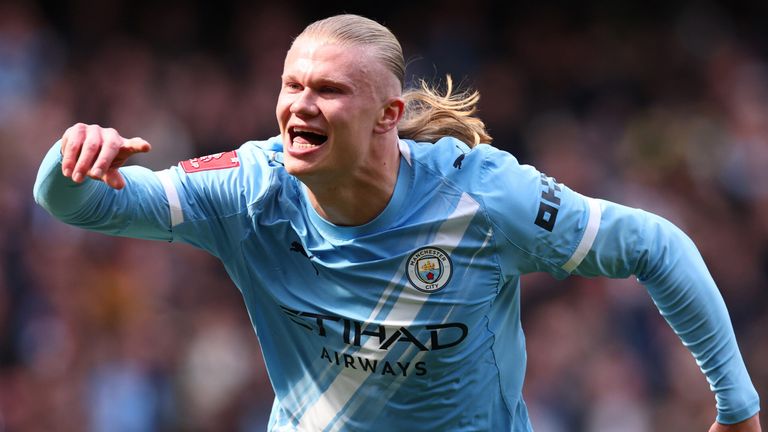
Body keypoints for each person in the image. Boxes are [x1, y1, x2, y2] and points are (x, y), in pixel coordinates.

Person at [33, 14, 760, 432]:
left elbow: (654, 244)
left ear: (388, 116)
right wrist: (71, 158)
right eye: (292, 86)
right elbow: (75, 203)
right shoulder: (250, 190)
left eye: (330, 90)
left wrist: (737, 406)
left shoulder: (482, 200)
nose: (300, 106)